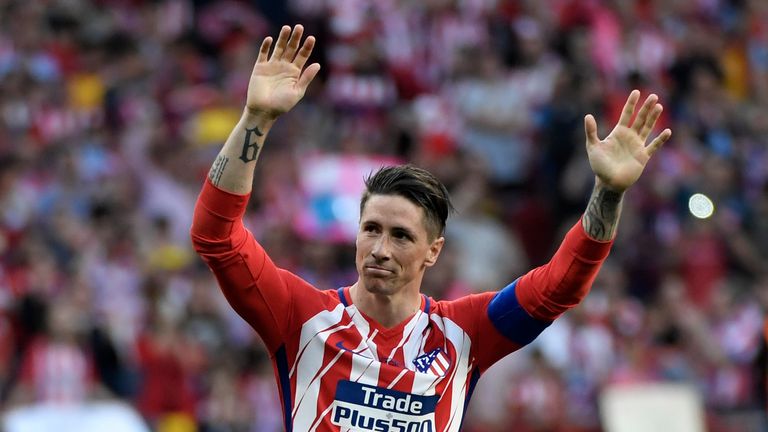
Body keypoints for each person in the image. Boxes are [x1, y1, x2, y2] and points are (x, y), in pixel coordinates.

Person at [190, 24, 671, 432]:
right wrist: (255, 118)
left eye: (401, 236)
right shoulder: (302, 317)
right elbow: (216, 237)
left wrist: (608, 192)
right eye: (371, 229)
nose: (379, 248)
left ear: (433, 251)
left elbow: (558, 288)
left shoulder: (464, 333)